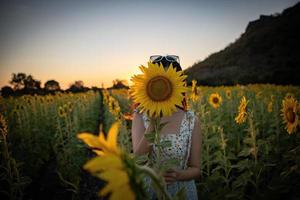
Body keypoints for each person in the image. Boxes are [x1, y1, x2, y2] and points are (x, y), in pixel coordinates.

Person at [131, 55, 202, 200]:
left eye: (166, 82)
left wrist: (179, 175)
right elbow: (138, 161)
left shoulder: (191, 120)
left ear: (177, 85)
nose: (160, 89)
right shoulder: (140, 116)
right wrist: (153, 122)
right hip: (150, 191)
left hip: (181, 192)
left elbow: (196, 169)